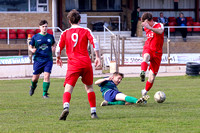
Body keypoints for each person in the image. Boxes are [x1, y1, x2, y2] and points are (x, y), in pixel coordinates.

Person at [56, 9, 101, 120]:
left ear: (69, 21)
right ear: (80, 20)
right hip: (85, 63)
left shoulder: (65, 33)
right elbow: (94, 42)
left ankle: (66, 107)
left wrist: (58, 58)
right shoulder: (86, 30)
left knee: (68, 88)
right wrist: (97, 57)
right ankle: (93, 112)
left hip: (73, 64)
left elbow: (58, 49)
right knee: (89, 88)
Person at [29, 20, 56, 98]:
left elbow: (54, 43)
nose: (44, 28)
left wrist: (54, 47)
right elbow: (30, 46)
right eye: (43, 26)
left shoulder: (50, 37)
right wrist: (31, 50)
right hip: (38, 60)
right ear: (40, 27)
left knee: (46, 76)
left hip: (48, 60)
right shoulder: (35, 37)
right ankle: (33, 87)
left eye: (46, 26)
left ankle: (45, 93)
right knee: (34, 78)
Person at [139, 12, 164, 97]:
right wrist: (146, 26)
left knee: (152, 77)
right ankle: (142, 72)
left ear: (150, 20)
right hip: (148, 48)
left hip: (158, 53)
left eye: (145, 21)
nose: (144, 24)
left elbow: (160, 32)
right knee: (146, 56)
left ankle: (144, 91)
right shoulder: (146, 27)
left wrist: (149, 27)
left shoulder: (159, 25)